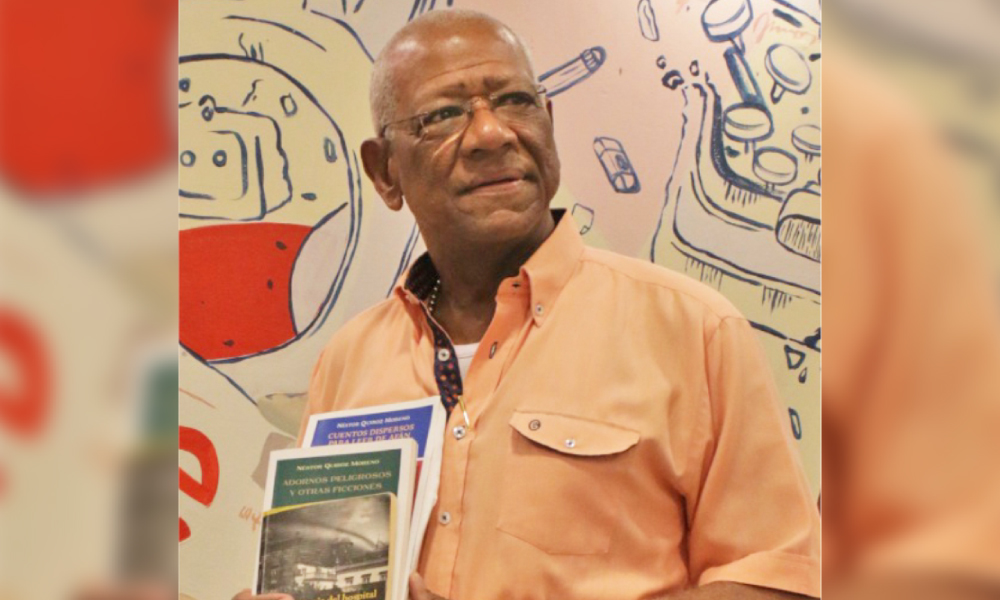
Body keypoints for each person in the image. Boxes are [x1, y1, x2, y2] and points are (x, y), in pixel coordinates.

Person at [235, 9, 820, 600]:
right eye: (444, 115)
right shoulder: (349, 360)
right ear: (385, 171)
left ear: (549, 124)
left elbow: (776, 581)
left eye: (516, 101)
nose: (491, 133)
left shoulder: (693, 330)